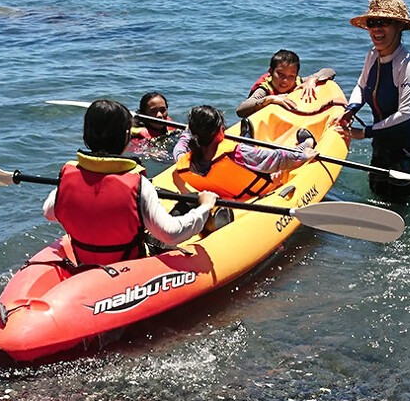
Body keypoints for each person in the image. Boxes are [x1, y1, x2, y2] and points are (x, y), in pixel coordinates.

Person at [42, 99, 218, 266]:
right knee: (193, 200)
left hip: (84, 261)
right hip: (130, 267)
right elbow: (171, 234)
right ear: (126, 136)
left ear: (85, 135)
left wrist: (95, 214)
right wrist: (204, 207)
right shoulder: (138, 184)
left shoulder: (67, 177)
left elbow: (49, 213)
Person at [334, 0, 410, 203]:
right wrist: (351, 109)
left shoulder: (409, 65)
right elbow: (362, 86)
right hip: (382, 143)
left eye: (385, 22)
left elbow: (406, 114)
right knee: (376, 196)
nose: (377, 29)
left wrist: (365, 132)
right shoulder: (372, 55)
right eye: (372, 23)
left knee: (400, 206)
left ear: (399, 26)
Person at [173, 105, 318, 199]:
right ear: (220, 131)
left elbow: (180, 146)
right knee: (280, 157)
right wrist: (304, 155)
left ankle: (247, 136)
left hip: (226, 193)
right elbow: (279, 158)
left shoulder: (183, 160)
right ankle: (308, 142)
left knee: (248, 149)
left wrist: (187, 133)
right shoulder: (238, 153)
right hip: (257, 192)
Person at [236, 49, 336, 119]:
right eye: (280, 74)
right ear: (271, 71)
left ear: (296, 75)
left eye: (291, 76)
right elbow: (240, 110)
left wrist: (312, 80)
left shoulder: (298, 82)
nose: (285, 80)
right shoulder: (264, 90)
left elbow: (329, 71)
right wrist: (269, 99)